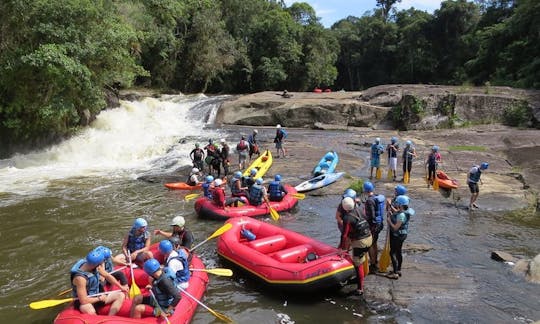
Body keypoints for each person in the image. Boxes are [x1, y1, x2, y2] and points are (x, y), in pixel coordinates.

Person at [71, 249, 128, 316]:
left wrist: (121, 287)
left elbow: (107, 276)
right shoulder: (80, 279)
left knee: (120, 295)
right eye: (101, 262)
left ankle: (109, 318)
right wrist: (99, 298)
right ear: (95, 264)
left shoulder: (95, 266)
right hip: (85, 300)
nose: (102, 264)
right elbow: (83, 300)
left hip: (96, 294)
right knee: (90, 310)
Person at [340, 197, 372, 296]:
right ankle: (359, 277)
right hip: (369, 238)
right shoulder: (360, 209)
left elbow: (344, 234)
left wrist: (342, 248)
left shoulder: (347, 218)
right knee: (360, 258)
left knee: (358, 264)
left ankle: (360, 288)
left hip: (360, 242)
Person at [386, 195, 415, 279]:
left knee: (392, 253)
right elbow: (397, 212)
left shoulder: (401, 215)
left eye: (398, 203)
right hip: (402, 235)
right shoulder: (405, 211)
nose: (396, 205)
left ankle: (395, 273)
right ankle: (398, 269)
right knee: (398, 251)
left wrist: (389, 221)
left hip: (398, 236)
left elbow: (395, 227)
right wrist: (390, 206)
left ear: (401, 205)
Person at [362, 181, 385, 273]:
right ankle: (375, 260)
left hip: (373, 225)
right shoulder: (378, 197)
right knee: (374, 242)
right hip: (380, 224)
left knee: (370, 245)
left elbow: (371, 216)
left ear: (365, 190)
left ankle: (373, 264)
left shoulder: (370, 201)